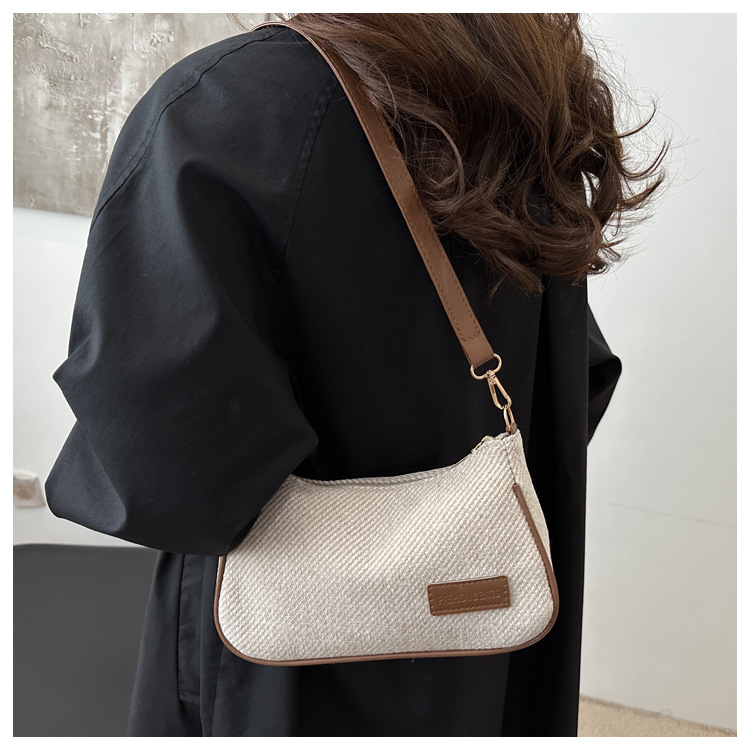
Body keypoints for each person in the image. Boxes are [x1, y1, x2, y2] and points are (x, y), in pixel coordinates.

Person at [45, 14, 664, 737]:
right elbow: (576, 380)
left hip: (277, 660)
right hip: (483, 636)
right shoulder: (530, 85)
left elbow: (164, 475)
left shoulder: (229, 101)